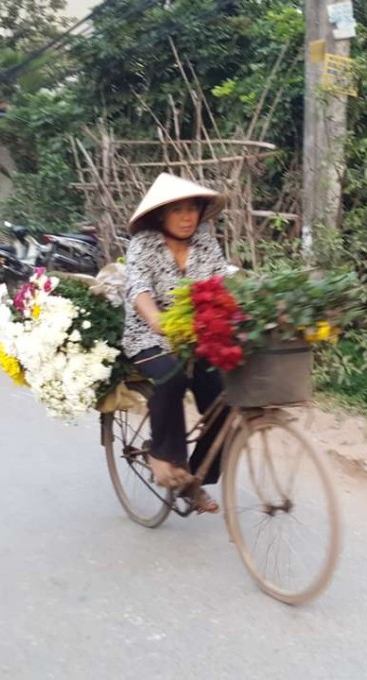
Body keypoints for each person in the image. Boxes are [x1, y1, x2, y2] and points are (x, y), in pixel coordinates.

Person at [122, 173, 230, 513]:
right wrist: (156, 318)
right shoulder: (144, 244)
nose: (187, 217)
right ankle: (162, 454)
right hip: (148, 337)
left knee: (228, 400)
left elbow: (222, 279)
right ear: (161, 215)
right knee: (172, 374)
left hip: (196, 338)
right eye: (177, 210)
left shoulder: (205, 241)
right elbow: (136, 287)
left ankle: (195, 479)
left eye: (193, 209)